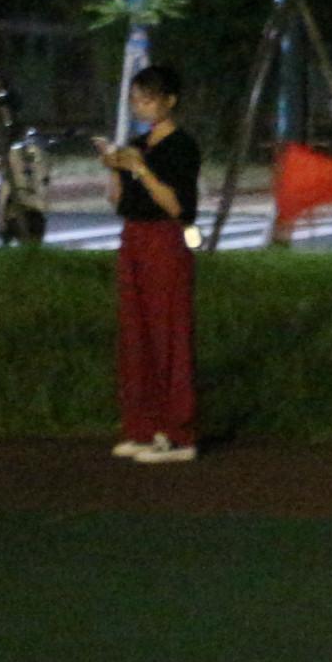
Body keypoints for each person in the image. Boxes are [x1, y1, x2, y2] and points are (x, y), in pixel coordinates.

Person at [99, 65, 203, 464]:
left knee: (167, 334)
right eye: (135, 100)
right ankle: (143, 427)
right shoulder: (137, 144)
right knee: (135, 334)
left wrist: (141, 169)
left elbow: (177, 206)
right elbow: (119, 202)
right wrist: (114, 169)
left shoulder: (182, 147)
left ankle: (178, 434)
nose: (140, 107)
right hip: (134, 238)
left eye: (147, 100)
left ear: (169, 101)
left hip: (165, 240)